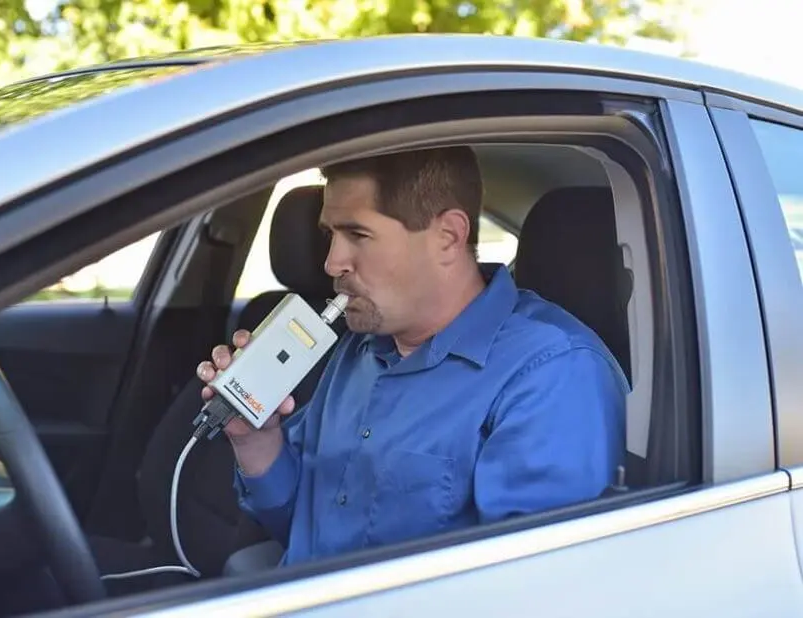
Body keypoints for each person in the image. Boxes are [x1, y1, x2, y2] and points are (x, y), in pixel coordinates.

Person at [196, 146, 628, 567]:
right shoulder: (358, 348)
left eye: (358, 235)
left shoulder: (553, 375)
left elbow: (517, 591)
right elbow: (304, 529)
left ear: (447, 238)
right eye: (330, 235)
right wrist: (257, 439)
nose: (332, 263)